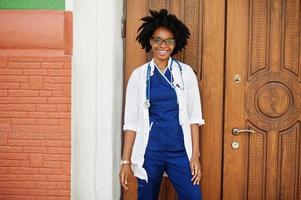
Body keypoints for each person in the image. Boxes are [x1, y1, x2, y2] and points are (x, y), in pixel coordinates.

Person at [119, 9, 205, 200]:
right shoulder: (139, 76)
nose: (163, 45)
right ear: (150, 41)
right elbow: (131, 123)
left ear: (175, 44)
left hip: (180, 152)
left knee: (193, 196)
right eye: (158, 40)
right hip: (150, 152)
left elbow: (194, 117)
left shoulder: (186, 73)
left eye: (169, 41)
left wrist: (195, 156)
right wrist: (125, 161)